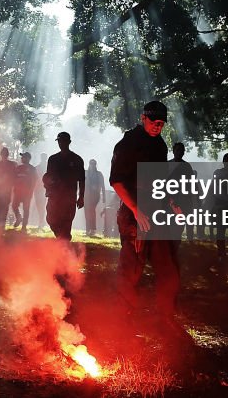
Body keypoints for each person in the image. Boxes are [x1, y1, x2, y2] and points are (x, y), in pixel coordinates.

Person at [110, 101, 180, 328]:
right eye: (153, 122)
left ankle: (165, 317)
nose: (157, 126)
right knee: (131, 268)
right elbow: (117, 181)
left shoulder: (160, 145)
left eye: (161, 123)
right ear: (143, 118)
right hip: (134, 215)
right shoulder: (128, 143)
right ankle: (122, 318)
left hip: (157, 214)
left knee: (168, 269)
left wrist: (170, 201)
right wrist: (136, 211)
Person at [43, 132, 85, 241]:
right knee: (51, 219)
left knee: (66, 222)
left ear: (69, 142)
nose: (61, 143)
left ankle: (64, 246)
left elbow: (82, 180)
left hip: (69, 197)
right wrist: (48, 186)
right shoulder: (52, 159)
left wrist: (81, 197)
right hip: (55, 196)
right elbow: (48, 176)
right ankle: (62, 238)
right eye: (59, 141)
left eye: (63, 141)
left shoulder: (77, 159)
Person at [167, 144, 197, 241]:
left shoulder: (187, 166)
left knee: (179, 226)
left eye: (182, 150)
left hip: (183, 200)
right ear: (174, 151)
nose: (180, 152)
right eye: (178, 150)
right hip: (169, 200)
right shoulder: (167, 165)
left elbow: (191, 185)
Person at [11, 152, 38, 231]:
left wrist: (31, 190)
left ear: (28, 158)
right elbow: (13, 178)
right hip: (18, 192)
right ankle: (19, 218)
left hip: (27, 192)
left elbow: (35, 180)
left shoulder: (32, 168)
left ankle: (24, 226)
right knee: (14, 206)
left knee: (26, 209)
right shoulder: (18, 167)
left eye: (23, 157)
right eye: (22, 157)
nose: (22, 158)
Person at [0, 146, 16, 228]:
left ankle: (1, 224)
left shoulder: (0, 164)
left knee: (1, 207)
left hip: (4, 189)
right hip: (2, 189)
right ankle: (1, 224)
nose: (4, 155)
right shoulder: (10, 164)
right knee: (2, 207)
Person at [84, 159, 106, 236]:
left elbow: (103, 185)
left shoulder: (99, 174)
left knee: (91, 211)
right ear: (89, 164)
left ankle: (92, 229)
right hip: (86, 195)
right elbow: (81, 183)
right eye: (91, 164)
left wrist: (104, 196)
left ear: (95, 165)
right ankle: (88, 229)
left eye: (94, 164)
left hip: (95, 196)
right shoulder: (86, 173)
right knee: (87, 212)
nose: (92, 165)